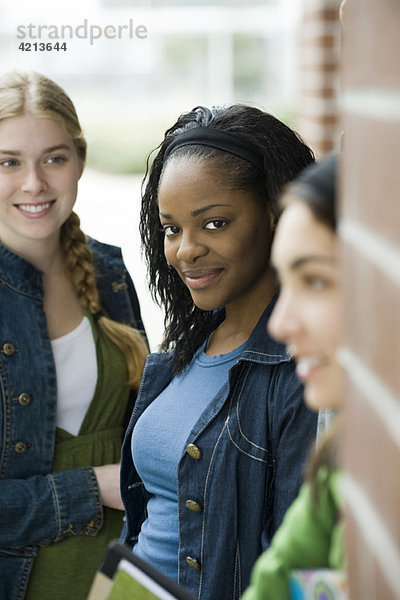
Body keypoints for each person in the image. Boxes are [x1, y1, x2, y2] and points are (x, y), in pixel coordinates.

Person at [119, 104, 318, 600]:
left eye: (213, 224)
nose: (185, 250)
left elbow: (299, 568)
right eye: (171, 228)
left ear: (276, 215)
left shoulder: (302, 373)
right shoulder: (181, 355)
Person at [0, 70, 148, 600]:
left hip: (122, 579)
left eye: (54, 158)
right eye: (8, 162)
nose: (34, 183)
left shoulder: (108, 272)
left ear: (80, 161)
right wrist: (95, 488)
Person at [242, 154, 346, 600]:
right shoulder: (345, 459)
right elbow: (274, 585)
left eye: (316, 282)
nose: (279, 324)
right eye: (285, 284)